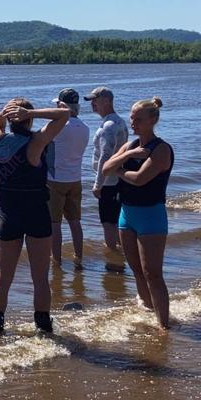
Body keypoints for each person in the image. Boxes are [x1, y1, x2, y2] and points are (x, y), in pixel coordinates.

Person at [0, 98, 69, 337]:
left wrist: (6, 112)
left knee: (3, 276)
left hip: (9, 216)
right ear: (29, 118)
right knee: (40, 277)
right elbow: (63, 115)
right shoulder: (35, 143)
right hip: (36, 215)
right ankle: (43, 327)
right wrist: (29, 111)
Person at [102, 97, 173, 329]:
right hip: (127, 214)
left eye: (138, 119)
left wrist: (119, 171)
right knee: (136, 271)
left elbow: (140, 179)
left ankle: (163, 325)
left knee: (153, 273)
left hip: (151, 215)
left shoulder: (161, 149)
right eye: (132, 118)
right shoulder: (131, 146)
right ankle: (148, 310)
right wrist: (126, 157)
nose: (133, 123)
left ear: (153, 120)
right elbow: (105, 169)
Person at [85, 86, 129, 266]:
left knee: (108, 223)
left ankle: (114, 260)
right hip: (117, 179)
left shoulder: (108, 126)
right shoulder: (118, 121)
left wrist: (98, 184)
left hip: (109, 182)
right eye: (91, 101)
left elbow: (105, 155)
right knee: (116, 220)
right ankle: (122, 256)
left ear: (108, 101)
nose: (93, 104)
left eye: (96, 100)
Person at [46, 88, 90, 267]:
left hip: (55, 179)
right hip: (75, 178)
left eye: (58, 104)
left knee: (54, 223)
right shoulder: (85, 128)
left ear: (62, 105)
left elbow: (40, 142)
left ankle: (56, 259)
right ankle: (78, 257)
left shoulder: (58, 127)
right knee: (75, 222)